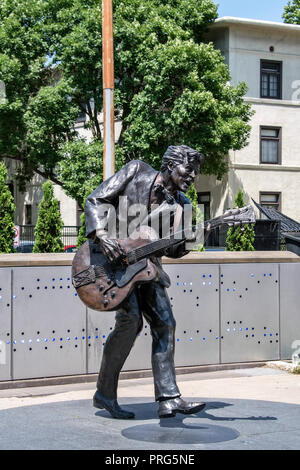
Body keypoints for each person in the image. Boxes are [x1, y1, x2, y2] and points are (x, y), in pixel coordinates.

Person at [84, 145, 207, 419]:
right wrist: (102, 236)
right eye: (189, 169)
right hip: (113, 263)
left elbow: (174, 250)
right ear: (172, 164)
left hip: (149, 268)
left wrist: (194, 237)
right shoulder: (137, 171)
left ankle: (168, 399)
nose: (193, 176)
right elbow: (95, 200)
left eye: (196, 172)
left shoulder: (183, 204)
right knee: (131, 322)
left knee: (165, 323)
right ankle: (104, 394)